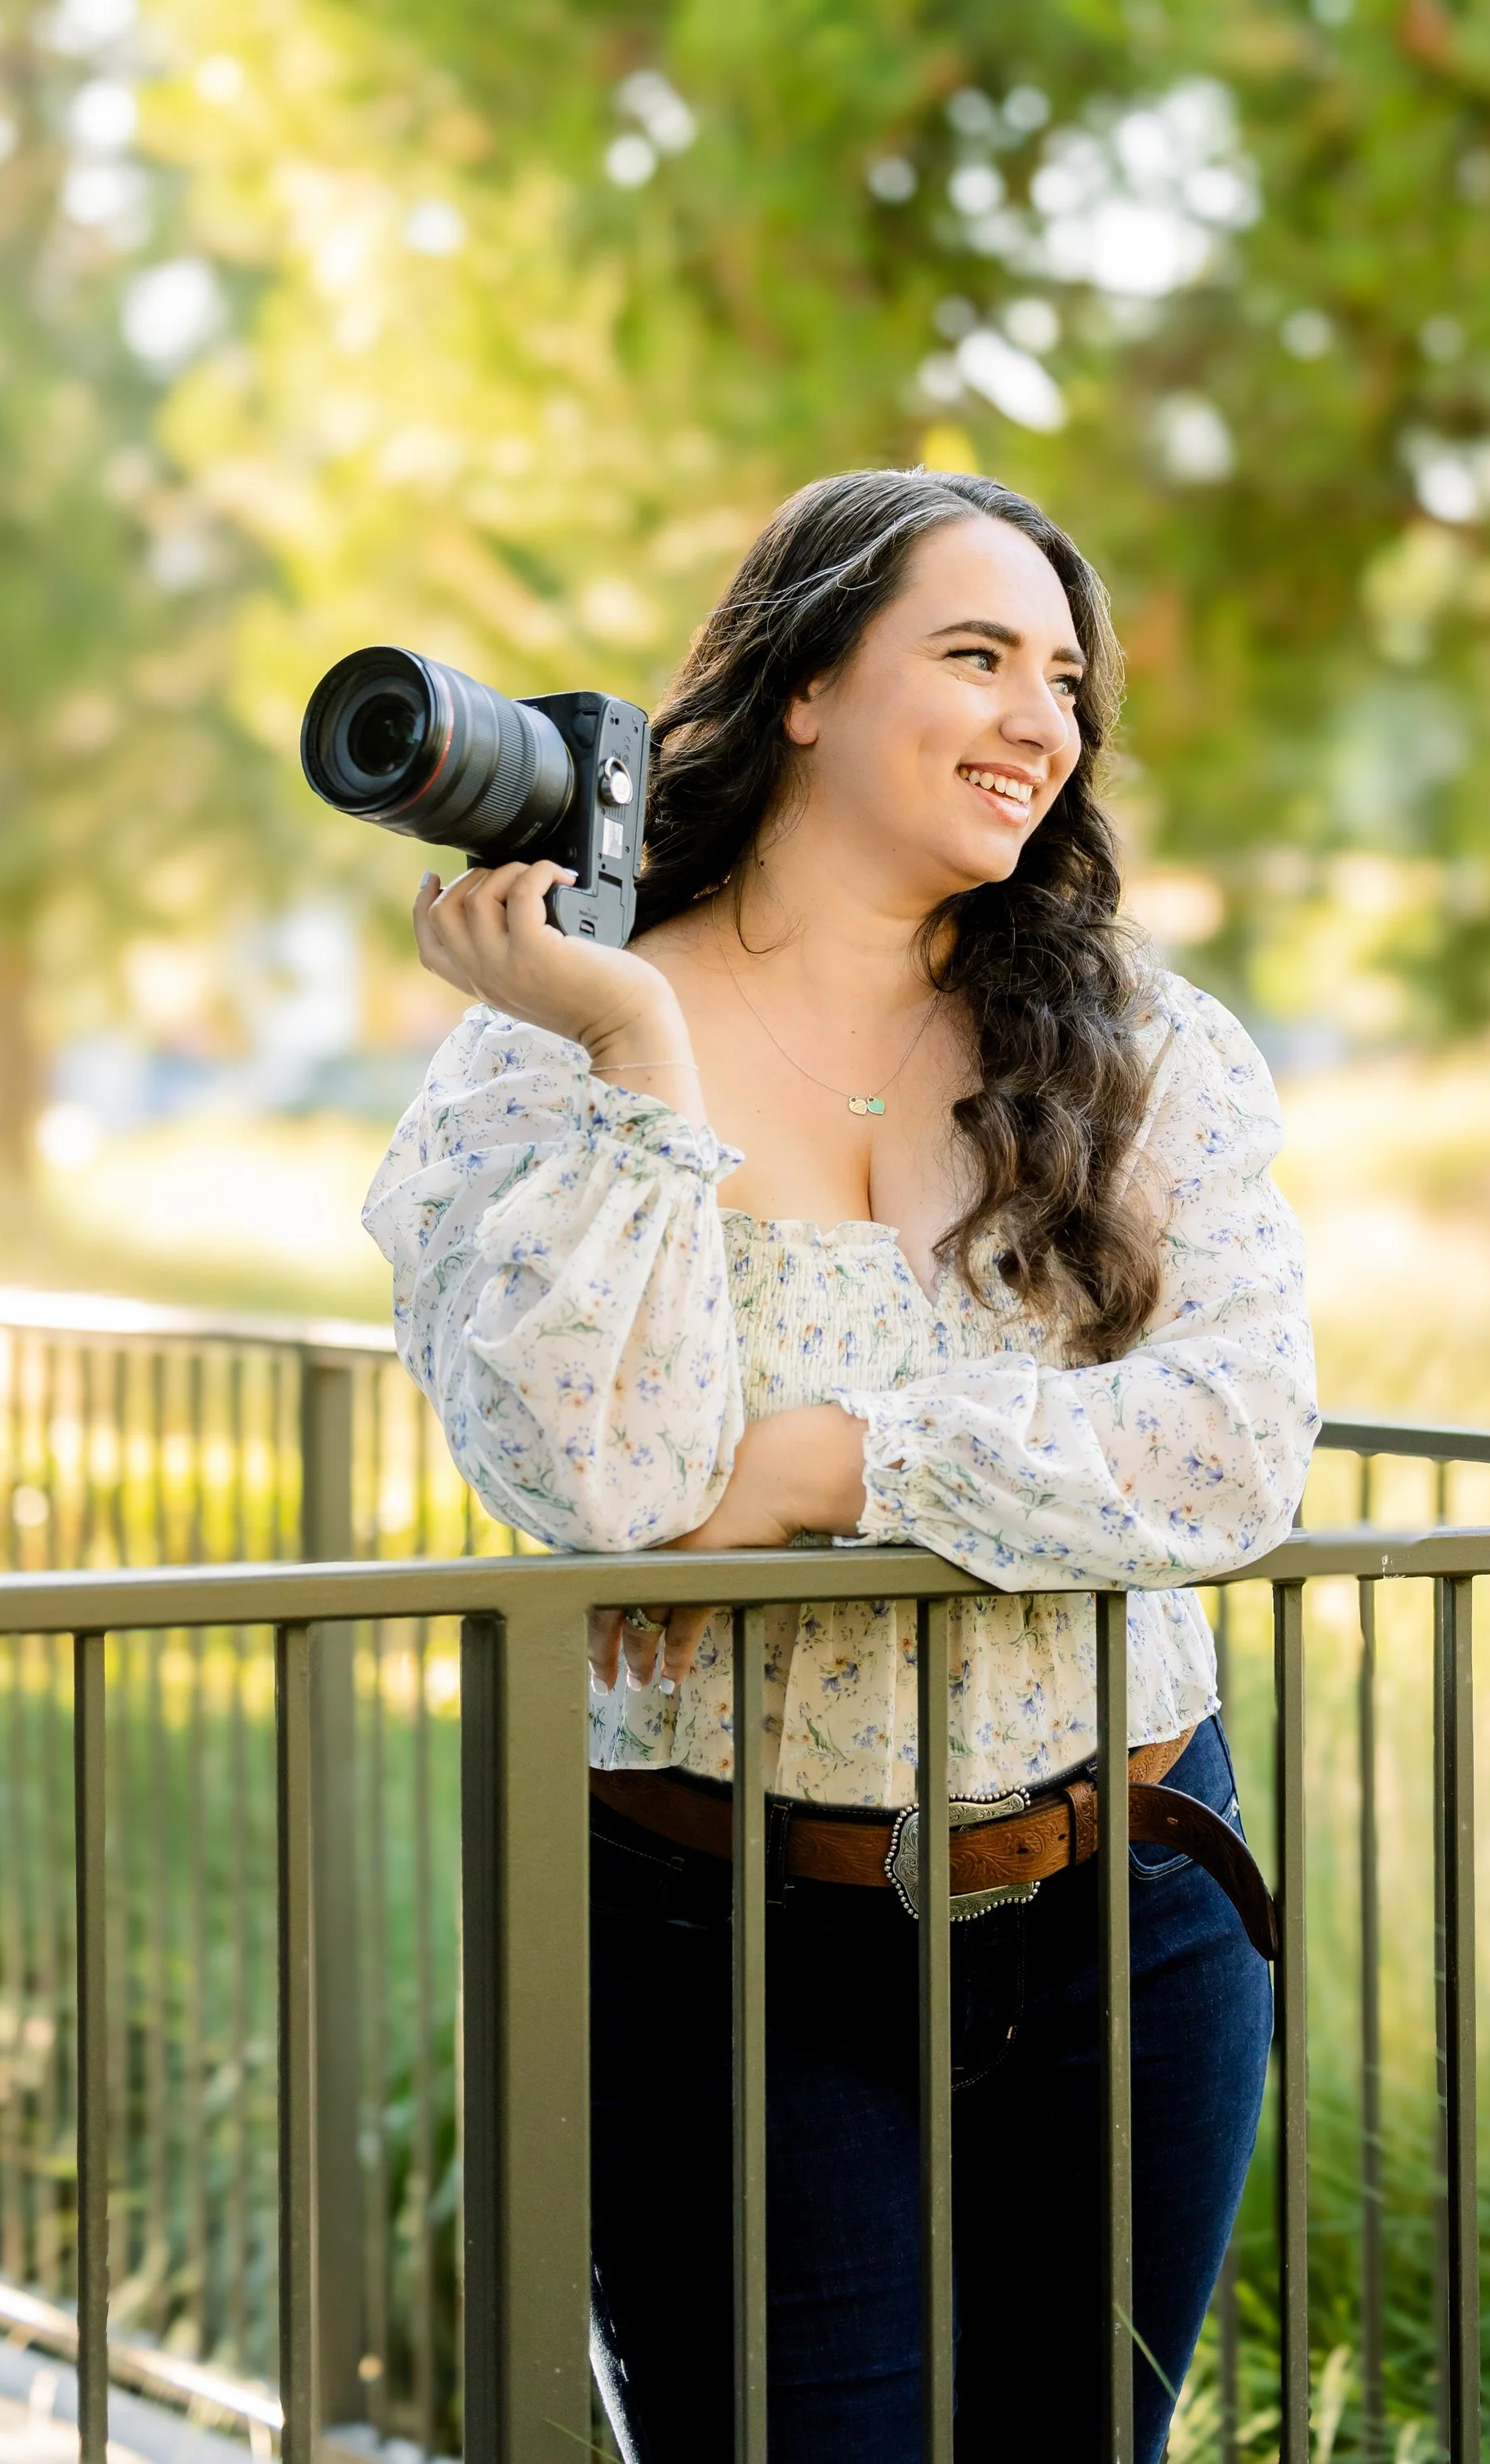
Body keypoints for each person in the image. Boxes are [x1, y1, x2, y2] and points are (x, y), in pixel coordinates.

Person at [365, 467, 1318, 2464]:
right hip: (719, 1936)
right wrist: (634, 1040)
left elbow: (1226, 1450)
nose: (1036, 721)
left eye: (1060, 677)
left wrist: (819, 1461)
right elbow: (594, 1482)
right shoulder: (551, 1043)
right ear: (801, 685)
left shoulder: (1140, 1042)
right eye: (971, 656)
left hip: (1130, 1901)